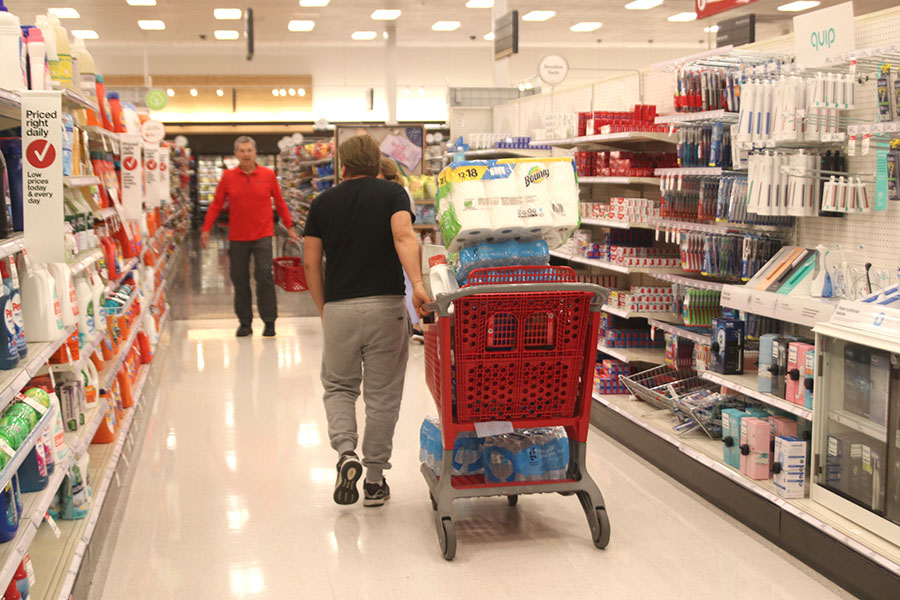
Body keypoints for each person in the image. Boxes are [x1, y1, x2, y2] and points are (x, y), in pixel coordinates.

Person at [303, 135, 430, 507]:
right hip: (386, 307)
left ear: (342, 165)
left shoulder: (322, 202)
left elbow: (311, 262)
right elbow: (404, 236)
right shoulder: (393, 194)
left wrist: (323, 307)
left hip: (340, 307)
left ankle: (346, 453)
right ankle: (374, 480)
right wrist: (419, 285)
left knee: (340, 388)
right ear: (377, 162)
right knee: (383, 396)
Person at [201, 136, 299, 338]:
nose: (246, 154)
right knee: (239, 279)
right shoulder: (228, 177)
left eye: (249, 150)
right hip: (237, 237)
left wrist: (289, 226)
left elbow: (280, 202)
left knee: (264, 276)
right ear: (236, 154)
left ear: (255, 153)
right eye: (242, 151)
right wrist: (205, 228)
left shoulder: (268, 175)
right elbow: (216, 204)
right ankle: (244, 323)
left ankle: (269, 321)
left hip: (263, 234)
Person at [378, 157, 425, 343]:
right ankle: (415, 324)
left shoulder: (393, 193)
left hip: (398, 245)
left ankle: (415, 324)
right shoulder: (402, 190)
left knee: (407, 284)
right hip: (406, 243)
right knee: (409, 283)